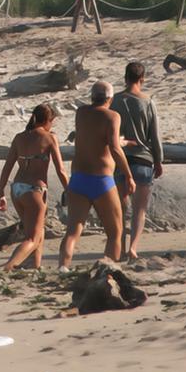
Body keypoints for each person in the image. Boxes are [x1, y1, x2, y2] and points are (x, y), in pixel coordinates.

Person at [58, 81, 133, 270]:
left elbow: (94, 137)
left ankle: (63, 268)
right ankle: (109, 270)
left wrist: (117, 142)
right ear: (110, 98)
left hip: (78, 179)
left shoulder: (81, 113)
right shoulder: (113, 116)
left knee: (73, 232)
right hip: (101, 180)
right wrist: (128, 174)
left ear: (92, 96)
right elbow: (114, 148)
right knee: (115, 233)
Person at [0, 104, 69, 271]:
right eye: (53, 121)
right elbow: (61, 170)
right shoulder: (49, 138)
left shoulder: (19, 137)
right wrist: (69, 189)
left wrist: (1, 191)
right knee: (32, 238)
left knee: (36, 229)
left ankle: (35, 264)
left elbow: (7, 167)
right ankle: (7, 266)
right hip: (34, 190)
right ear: (48, 121)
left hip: (17, 189)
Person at [110, 62, 164, 260]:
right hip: (143, 159)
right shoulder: (148, 102)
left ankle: (120, 248)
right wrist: (159, 160)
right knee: (139, 210)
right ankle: (133, 247)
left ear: (125, 77)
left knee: (120, 210)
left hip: (120, 160)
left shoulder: (115, 101)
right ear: (142, 79)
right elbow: (155, 136)